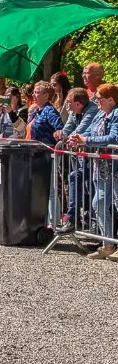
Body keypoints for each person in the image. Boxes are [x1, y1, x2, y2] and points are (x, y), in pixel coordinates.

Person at [69, 83, 118, 259]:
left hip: (115, 168)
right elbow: (89, 130)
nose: (95, 100)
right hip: (102, 168)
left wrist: (87, 140)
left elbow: (114, 137)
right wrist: (78, 138)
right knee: (99, 203)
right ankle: (108, 244)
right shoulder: (99, 114)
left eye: (99, 98)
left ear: (111, 100)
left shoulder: (116, 114)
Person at [56, 88, 97, 231]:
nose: (67, 106)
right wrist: (61, 134)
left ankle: (92, 225)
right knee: (80, 182)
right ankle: (75, 219)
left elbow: (81, 130)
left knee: (93, 192)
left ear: (78, 104)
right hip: (81, 159)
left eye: (69, 102)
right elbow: (68, 129)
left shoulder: (92, 110)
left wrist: (68, 138)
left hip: (95, 160)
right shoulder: (74, 112)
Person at [27, 81, 63, 146]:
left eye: (37, 92)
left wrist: (58, 133)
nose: (33, 95)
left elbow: (60, 128)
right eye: (34, 92)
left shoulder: (50, 111)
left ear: (46, 96)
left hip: (45, 150)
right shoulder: (36, 112)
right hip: (33, 149)